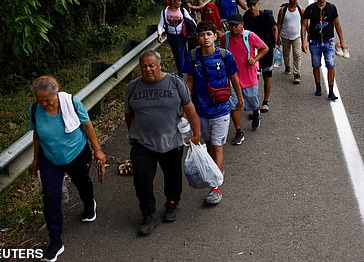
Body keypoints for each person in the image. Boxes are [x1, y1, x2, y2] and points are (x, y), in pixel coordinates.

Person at [124, 50, 201, 236]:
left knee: (173, 175)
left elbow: (189, 108)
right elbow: (128, 115)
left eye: (151, 65)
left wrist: (197, 134)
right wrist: (134, 134)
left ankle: (172, 204)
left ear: (159, 65)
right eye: (144, 66)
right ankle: (148, 214)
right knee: (142, 179)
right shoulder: (132, 87)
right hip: (142, 143)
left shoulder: (175, 83)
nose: (148, 69)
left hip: (171, 141)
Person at [30, 75, 106, 262]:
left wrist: (98, 150)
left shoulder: (72, 102)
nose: (45, 104)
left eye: (48, 100)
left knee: (82, 183)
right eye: (41, 101)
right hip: (49, 158)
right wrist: (36, 159)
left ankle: (89, 205)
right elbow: (37, 135)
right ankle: (56, 241)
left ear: (57, 93)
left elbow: (87, 126)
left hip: (76, 154)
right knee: (50, 197)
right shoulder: (34, 109)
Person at [182, 21, 243, 205]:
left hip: (221, 109)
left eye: (209, 34)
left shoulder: (225, 55)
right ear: (197, 38)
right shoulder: (192, 56)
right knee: (208, 145)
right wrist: (185, 108)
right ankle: (217, 169)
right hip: (200, 109)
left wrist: (240, 99)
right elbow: (190, 82)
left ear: (216, 36)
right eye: (202, 35)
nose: (206, 38)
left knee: (217, 146)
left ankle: (215, 187)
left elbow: (234, 78)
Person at [221, 13, 268, 144]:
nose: (233, 28)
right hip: (232, 78)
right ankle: (239, 131)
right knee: (234, 105)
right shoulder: (225, 38)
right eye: (231, 25)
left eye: (236, 25)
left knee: (252, 100)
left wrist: (255, 59)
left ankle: (256, 113)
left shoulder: (250, 36)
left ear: (242, 25)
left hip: (249, 76)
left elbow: (265, 48)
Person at [301, 0, 348, 101]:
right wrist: (303, 41)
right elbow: (303, 25)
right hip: (314, 42)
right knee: (316, 65)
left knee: (331, 65)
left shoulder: (332, 8)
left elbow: (337, 25)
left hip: (329, 42)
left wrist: (342, 41)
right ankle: (318, 87)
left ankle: (331, 91)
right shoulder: (310, 9)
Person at [242, 0, 278, 112]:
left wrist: (274, 44)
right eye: (250, 5)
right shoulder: (246, 17)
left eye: (254, 5)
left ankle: (266, 101)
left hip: (266, 50)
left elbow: (275, 28)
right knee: (254, 79)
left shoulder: (267, 16)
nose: (252, 8)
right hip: (253, 52)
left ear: (258, 4)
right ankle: (255, 105)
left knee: (267, 76)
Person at [157, 0, 196, 77]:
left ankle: (180, 74)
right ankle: (185, 67)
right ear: (172, 1)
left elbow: (190, 20)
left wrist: (196, 29)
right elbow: (160, 24)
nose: (180, 3)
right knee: (176, 53)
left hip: (181, 35)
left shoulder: (182, 10)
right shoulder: (164, 11)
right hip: (170, 36)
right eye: (178, 1)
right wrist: (159, 34)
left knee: (180, 51)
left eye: (181, 1)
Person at [277, 0, 303, 84]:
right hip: (285, 36)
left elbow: (304, 24)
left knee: (297, 54)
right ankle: (287, 66)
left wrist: (307, 37)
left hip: (297, 36)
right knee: (286, 53)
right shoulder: (283, 10)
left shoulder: (300, 9)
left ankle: (297, 74)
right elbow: (278, 24)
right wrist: (278, 37)